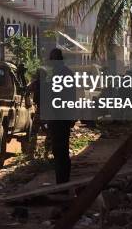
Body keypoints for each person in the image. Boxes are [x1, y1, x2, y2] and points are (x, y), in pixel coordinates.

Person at [48, 48, 76, 184]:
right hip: (57, 118)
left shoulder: (65, 74)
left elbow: (69, 97)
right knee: (58, 151)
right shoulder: (58, 73)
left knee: (61, 151)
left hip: (61, 118)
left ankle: (63, 182)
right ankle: (61, 181)